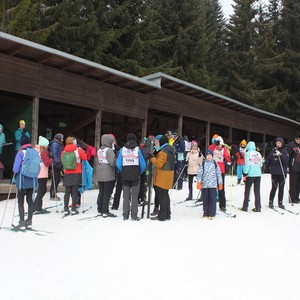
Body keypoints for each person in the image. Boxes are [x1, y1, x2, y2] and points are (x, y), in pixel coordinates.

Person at [116, 133, 146, 221]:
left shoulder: (122, 150)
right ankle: (134, 216)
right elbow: (143, 164)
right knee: (135, 196)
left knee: (126, 196)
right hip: (135, 175)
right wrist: (139, 172)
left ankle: (125, 215)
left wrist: (123, 170)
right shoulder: (138, 150)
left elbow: (118, 163)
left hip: (125, 175)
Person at [12, 135, 38, 230]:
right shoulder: (35, 152)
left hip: (22, 180)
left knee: (20, 200)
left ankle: (22, 221)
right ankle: (29, 221)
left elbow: (16, 168)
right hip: (32, 179)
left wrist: (14, 173)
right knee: (30, 200)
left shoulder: (20, 153)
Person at [150, 135, 175, 221]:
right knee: (165, 196)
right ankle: (167, 214)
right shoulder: (169, 150)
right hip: (168, 176)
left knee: (162, 197)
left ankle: (162, 215)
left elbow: (158, 164)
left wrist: (152, 158)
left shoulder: (163, 152)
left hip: (162, 177)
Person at [61, 136, 87, 215]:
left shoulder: (64, 151)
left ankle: (65, 208)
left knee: (67, 192)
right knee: (75, 192)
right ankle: (73, 208)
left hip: (67, 173)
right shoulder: (77, 150)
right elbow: (85, 158)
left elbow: (61, 160)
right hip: (76, 172)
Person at [196, 149, 223, 220]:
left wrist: (220, 183)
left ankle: (212, 213)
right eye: (207, 155)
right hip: (205, 185)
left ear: (212, 156)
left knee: (212, 199)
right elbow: (200, 173)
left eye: (210, 155)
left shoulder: (215, 163)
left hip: (213, 185)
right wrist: (199, 182)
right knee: (205, 199)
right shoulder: (203, 163)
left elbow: (218, 174)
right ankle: (205, 212)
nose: (209, 156)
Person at [95, 134, 117, 217]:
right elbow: (112, 163)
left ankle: (99, 209)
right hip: (108, 174)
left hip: (100, 173)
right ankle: (105, 210)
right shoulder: (109, 151)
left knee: (101, 192)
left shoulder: (100, 150)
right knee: (107, 193)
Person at [208, 135, 231, 211]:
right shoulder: (212, 147)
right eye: (217, 145)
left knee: (221, 188)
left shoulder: (224, 149)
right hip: (212, 170)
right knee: (211, 188)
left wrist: (230, 159)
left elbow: (228, 158)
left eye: (219, 145)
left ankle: (222, 205)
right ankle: (210, 204)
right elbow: (208, 153)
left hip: (220, 171)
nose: (218, 147)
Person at [266, 137, 289, 209]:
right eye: (277, 143)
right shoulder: (273, 151)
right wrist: (268, 166)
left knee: (281, 188)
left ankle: (280, 202)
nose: (278, 144)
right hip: (274, 172)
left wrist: (280, 155)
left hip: (282, 172)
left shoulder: (285, 151)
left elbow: (286, 161)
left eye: (279, 143)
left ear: (282, 144)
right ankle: (271, 201)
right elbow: (268, 160)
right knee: (274, 187)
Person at [240, 141, 263, 212]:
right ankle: (258, 206)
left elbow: (247, 164)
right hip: (258, 174)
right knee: (257, 191)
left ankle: (245, 206)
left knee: (247, 190)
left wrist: (245, 172)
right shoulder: (258, 153)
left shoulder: (247, 153)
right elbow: (261, 164)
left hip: (250, 174)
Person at [34, 136, 53, 214]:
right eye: (47, 145)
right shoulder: (43, 152)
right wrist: (52, 159)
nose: (47, 146)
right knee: (42, 190)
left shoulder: (36, 151)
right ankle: (37, 207)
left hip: (37, 172)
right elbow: (47, 163)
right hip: (42, 173)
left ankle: (36, 206)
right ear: (44, 145)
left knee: (41, 190)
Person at [286, 132, 300, 204]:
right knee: (293, 183)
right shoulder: (291, 145)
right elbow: (287, 155)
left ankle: (297, 197)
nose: (298, 140)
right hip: (293, 167)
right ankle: (292, 198)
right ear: (295, 139)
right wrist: (288, 166)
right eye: (297, 139)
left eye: (299, 139)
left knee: (298, 183)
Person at [49, 133, 64, 200]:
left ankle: (54, 193)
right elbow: (55, 154)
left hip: (57, 164)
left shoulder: (58, 144)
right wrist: (58, 162)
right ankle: (52, 194)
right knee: (55, 179)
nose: (62, 140)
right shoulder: (55, 144)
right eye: (61, 138)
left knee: (57, 180)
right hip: (56, 164)